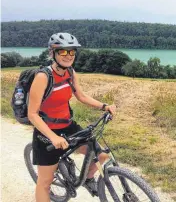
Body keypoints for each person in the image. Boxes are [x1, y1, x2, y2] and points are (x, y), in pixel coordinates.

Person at [27, 32, 116, 202]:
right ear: (52, 53)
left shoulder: (70, 73)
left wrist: (104, 106)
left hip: (68, 126)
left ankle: (87, 179)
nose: (68, 56)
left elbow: (81, 96)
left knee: (101, 155)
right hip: (46, 133)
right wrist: (53, 137)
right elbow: (32, 114)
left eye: (72, 52)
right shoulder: (43, 77)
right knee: (44, 183)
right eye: (63, 51)